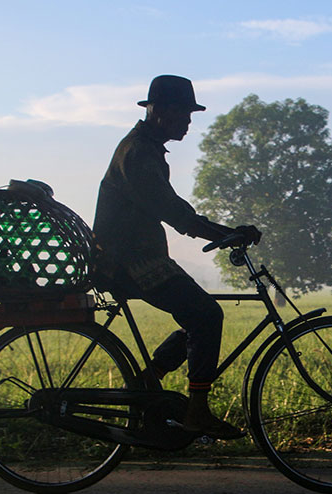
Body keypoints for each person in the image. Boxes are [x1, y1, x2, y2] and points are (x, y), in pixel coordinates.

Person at [92, 75, 261, 440]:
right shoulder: (137, 153)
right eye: (183, 114)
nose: (188, 122)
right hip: (128, 262)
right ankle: (196, 412)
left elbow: (172, 210)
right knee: (205, 314)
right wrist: (224, 233)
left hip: (139, 257)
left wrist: (223, 232)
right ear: (160, 112)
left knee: (195, 317)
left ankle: (148, 382)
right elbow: (174, 212)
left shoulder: (145, 149)